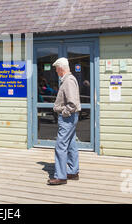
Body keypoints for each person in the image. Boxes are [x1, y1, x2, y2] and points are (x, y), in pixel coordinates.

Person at [47, 57, 81, 186]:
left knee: (60, 146)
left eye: (56, 69)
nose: (56, 71)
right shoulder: (69, 80)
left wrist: (63, 112)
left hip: (67, 118)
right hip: (70, 118)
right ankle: (72, 171)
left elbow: (72, 104)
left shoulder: (68, 81)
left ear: (61, 68)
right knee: (71, 144)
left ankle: (61, 176)